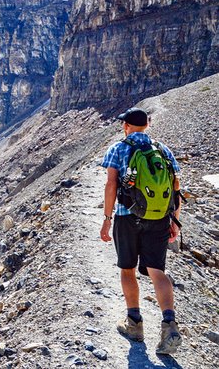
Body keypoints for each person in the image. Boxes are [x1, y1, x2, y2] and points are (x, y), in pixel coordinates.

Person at [100, 107, 182, 354]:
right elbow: (176, 185)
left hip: (127, 217)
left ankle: (134, 323)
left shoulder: (118, 148)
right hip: (158, 218)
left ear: (126, 126)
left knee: (128, 269)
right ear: (147, 125)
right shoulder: (162, 150)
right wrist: (174, 221)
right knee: (158, 271)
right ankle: (170, 325)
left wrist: (106, 218)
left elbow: (111, 184)